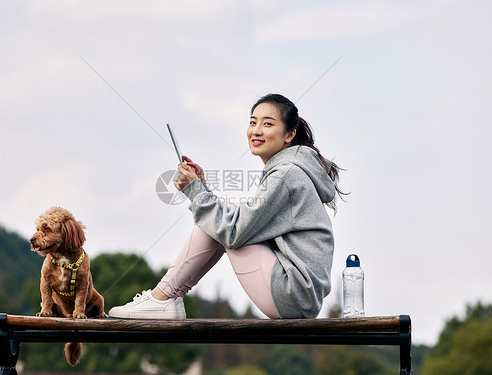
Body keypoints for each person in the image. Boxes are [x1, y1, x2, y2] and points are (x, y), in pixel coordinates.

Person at [109, 93, 345, 320]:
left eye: (268, 124)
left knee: (221, 217)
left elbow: (233, 233)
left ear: (289, 134)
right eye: (253, 122)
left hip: (293, 294)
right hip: (298, 293)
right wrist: (201, 188)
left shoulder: (286, 175)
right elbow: (241, 225)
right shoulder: (291, 170)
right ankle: (166, 298)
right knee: (221, 213)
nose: (256, 130)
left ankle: (163, 298)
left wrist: (196, 191)